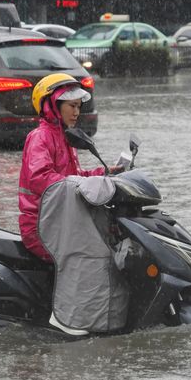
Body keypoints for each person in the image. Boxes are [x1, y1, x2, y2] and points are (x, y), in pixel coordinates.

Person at [18, 73, 122, 262]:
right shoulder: (40, 137)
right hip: (42, 226)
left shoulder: (65, 138)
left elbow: (73, 176)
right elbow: (40, 178)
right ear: (52, 106)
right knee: (91, 256)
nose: (76, 112)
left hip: (61, 220)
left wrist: (103, 174)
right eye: (71, 106)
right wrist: (81, 182)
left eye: (79, 107)